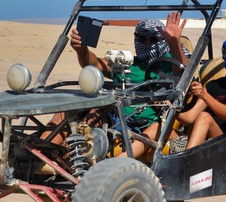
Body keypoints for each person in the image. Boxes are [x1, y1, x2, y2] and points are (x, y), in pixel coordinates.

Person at [44, 12, 189, 144]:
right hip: (115, 117)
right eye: (141, 38)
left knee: (94, 114)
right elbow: (94, 64)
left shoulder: (169, 63)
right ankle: (42, 156)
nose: (147, 43)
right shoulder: (128, 64)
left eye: (153, 39)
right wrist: (82, 50)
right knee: (67, 111)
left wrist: (173, 43)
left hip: (144, 124)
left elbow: (184, 72)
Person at [126, 34, 226, 157]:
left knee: (205, 117)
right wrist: (167, 107)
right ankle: (114, 166)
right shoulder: (214, 85)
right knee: (157, 127)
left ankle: (184, 164)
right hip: (199, 139)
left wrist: (204, 95)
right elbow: (189, 118)